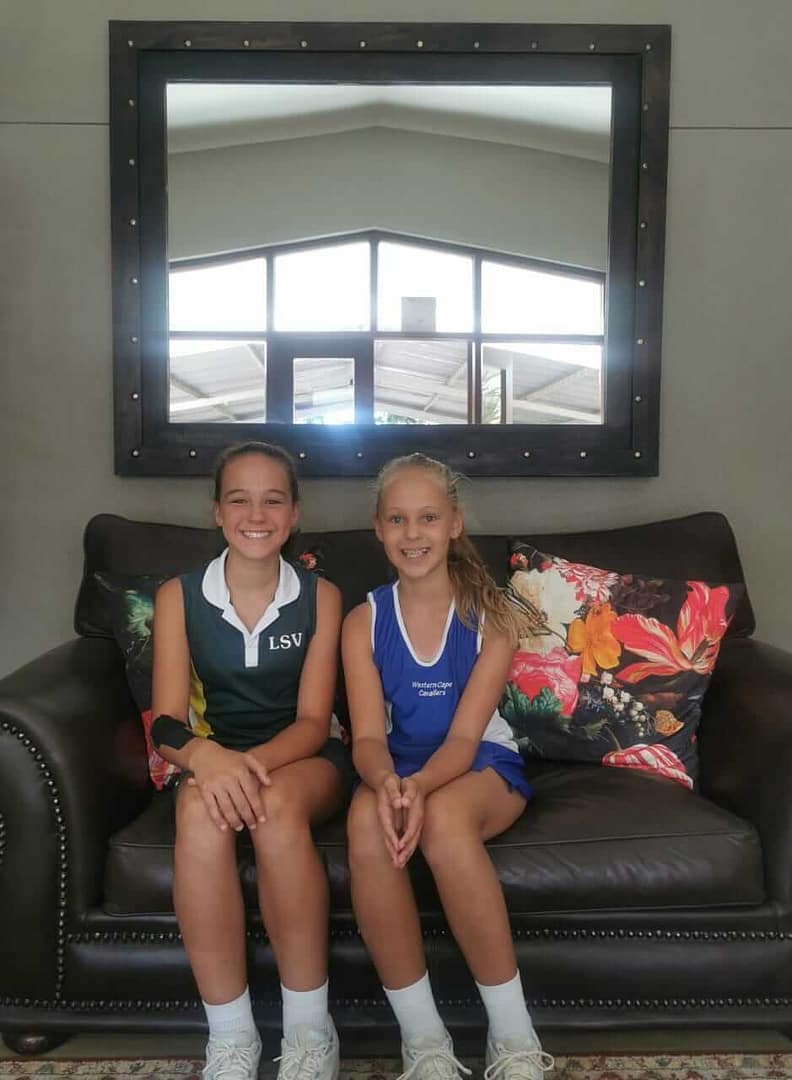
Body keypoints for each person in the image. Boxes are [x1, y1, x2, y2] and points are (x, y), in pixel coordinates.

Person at [342, 453, 554, 1080]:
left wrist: (418, 788)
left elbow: (463, 739)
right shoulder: (364, 621)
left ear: (455, 524)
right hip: (396, 762)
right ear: (378, 529)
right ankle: (424, 1040)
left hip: (478, 762)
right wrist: (388, 782)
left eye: (428, 517)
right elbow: (367, 738)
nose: (413, 534)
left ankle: (514, 1036)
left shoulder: (492, 618)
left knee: (440, 821)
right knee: (365, 825)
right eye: (397, 519)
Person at [152, 441, 351, 1080]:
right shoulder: (178, 596)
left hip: (303, 758)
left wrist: (243, 768)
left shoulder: (321, 597)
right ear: (217, 512)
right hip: (213, 757)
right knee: (197, 813)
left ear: (294, 514)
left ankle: (309, 1032)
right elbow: (165, 724)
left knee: (274, 806)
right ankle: (232, 1037)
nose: (256, 515)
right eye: (239, 500)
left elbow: (314, 723)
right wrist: (209, 760)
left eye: (273, 500)